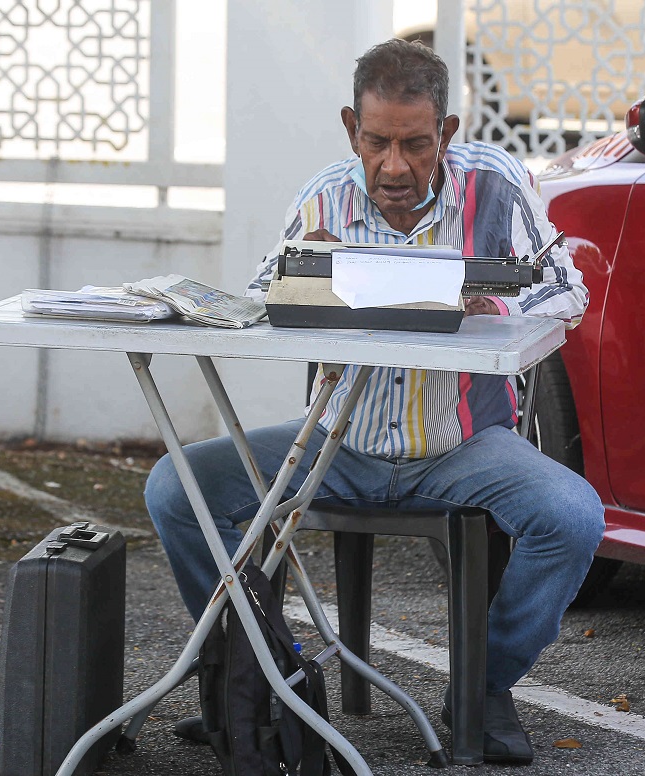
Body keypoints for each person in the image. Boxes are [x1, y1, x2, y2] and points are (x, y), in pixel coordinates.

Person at [145, 38, 605, 765]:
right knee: (175, 489)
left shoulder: (493, 184)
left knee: (573, 515)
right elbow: (265, 298)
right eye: (377, 142)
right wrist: (308, 276)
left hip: (466, 448)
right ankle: (258, 674)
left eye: (416, 145)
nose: (394, 167)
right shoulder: (325, 194)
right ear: (350, 130)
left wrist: (485, 297)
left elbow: (568, 291)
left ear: (446, 134)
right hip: (337, 443)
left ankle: (482, 685)